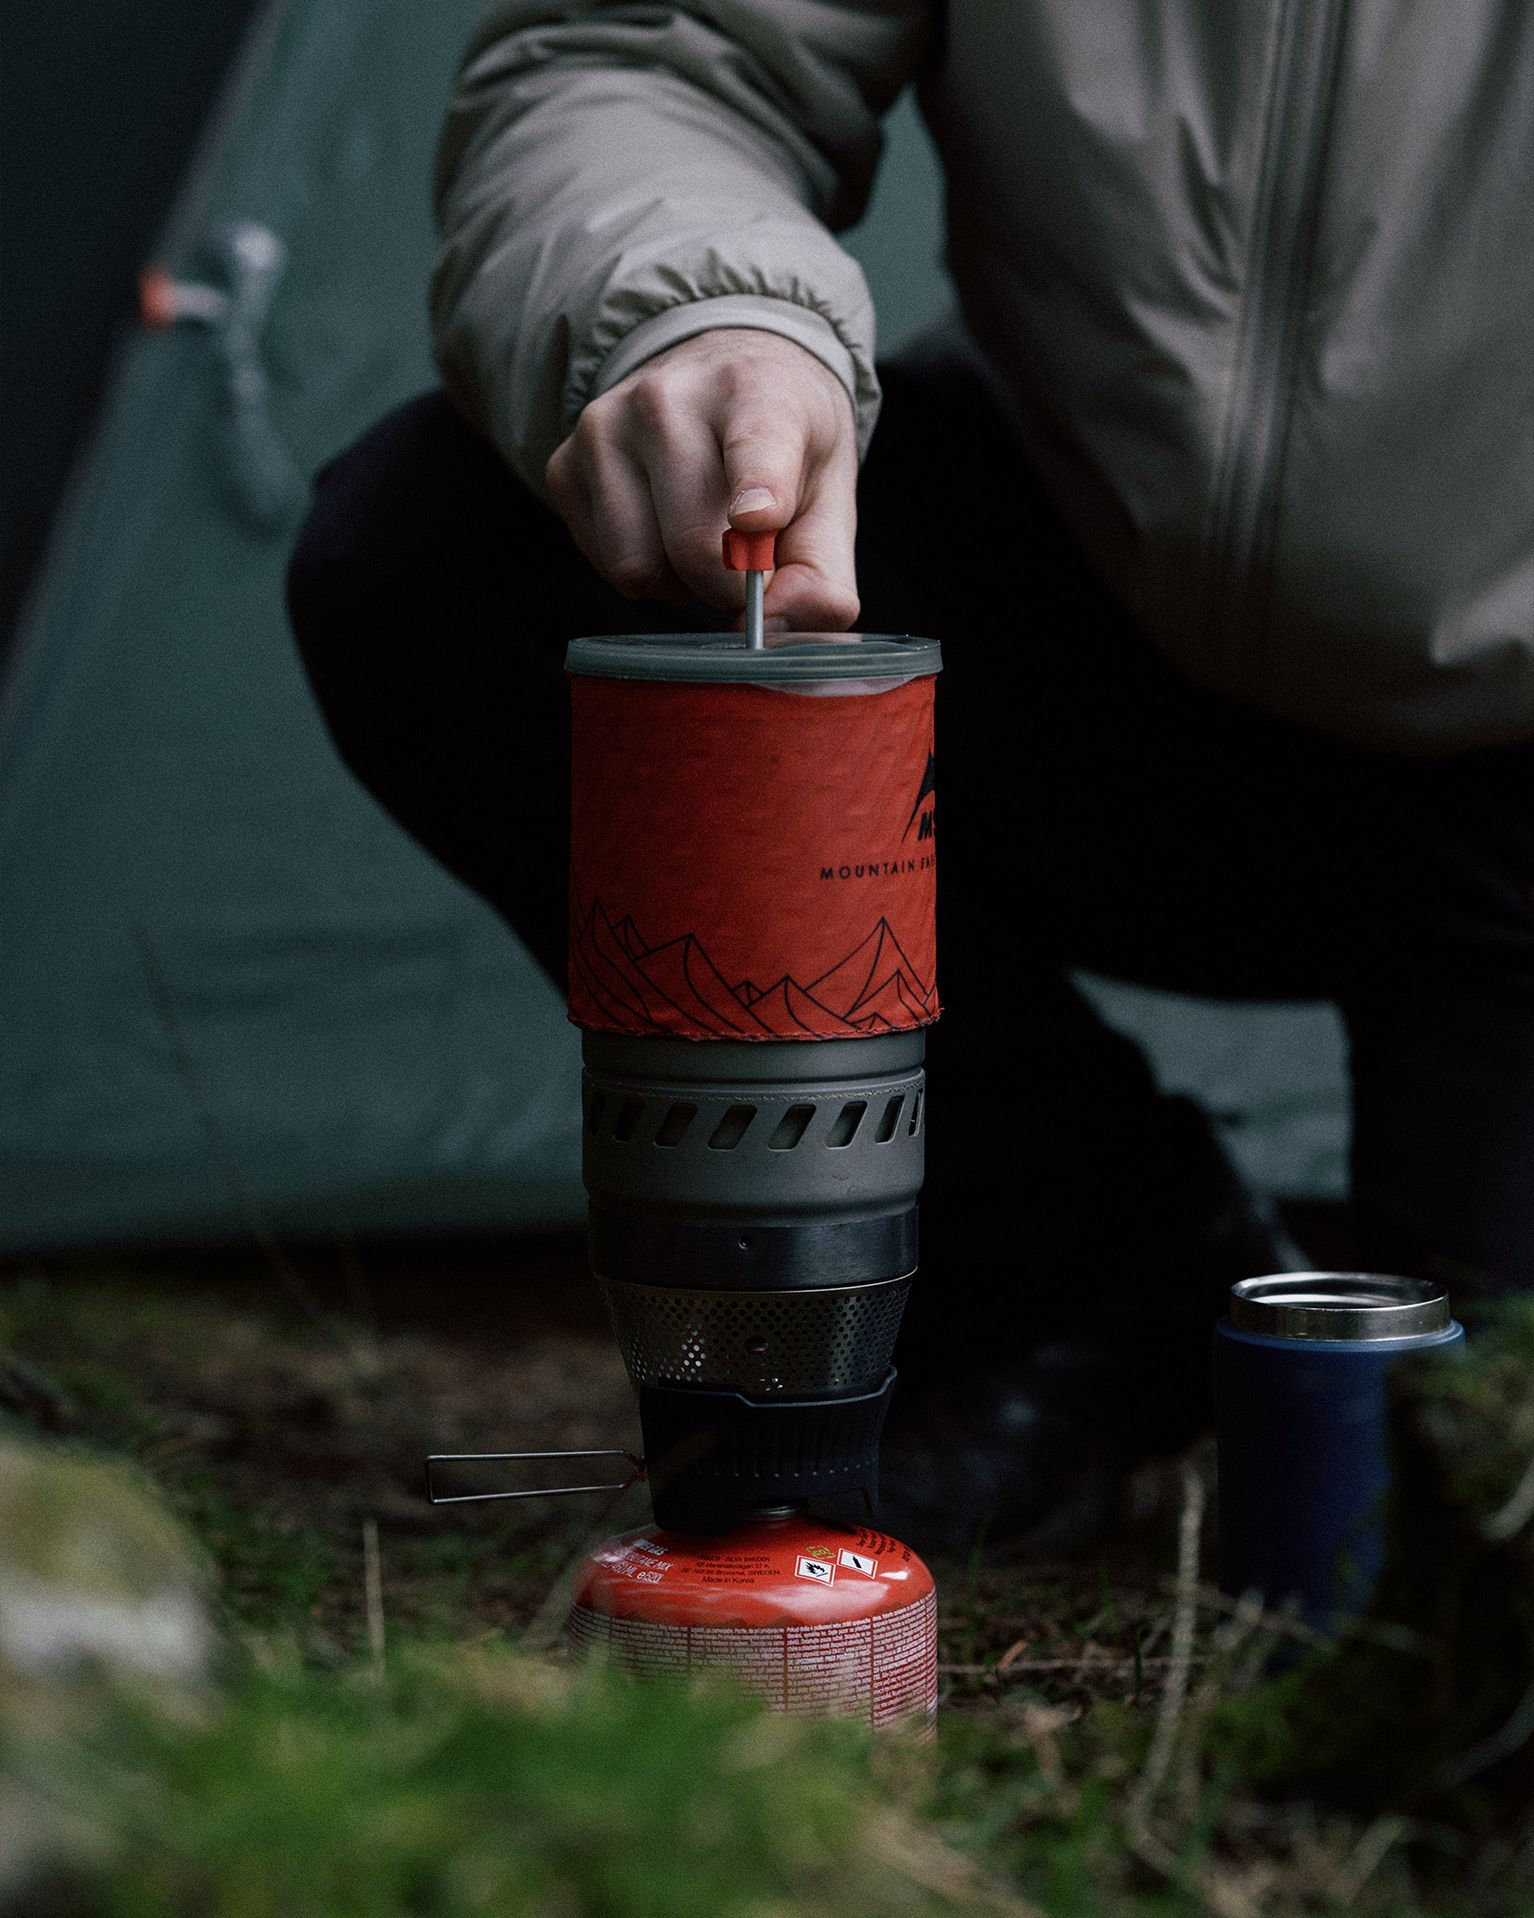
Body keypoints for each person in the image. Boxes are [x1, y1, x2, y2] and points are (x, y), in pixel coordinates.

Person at [288, 3, 1534, 1549]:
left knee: (1455, 1519)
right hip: (1095, 601)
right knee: (441, 561)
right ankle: (1077, 1266)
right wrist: (695, 315)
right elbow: (658, 46)